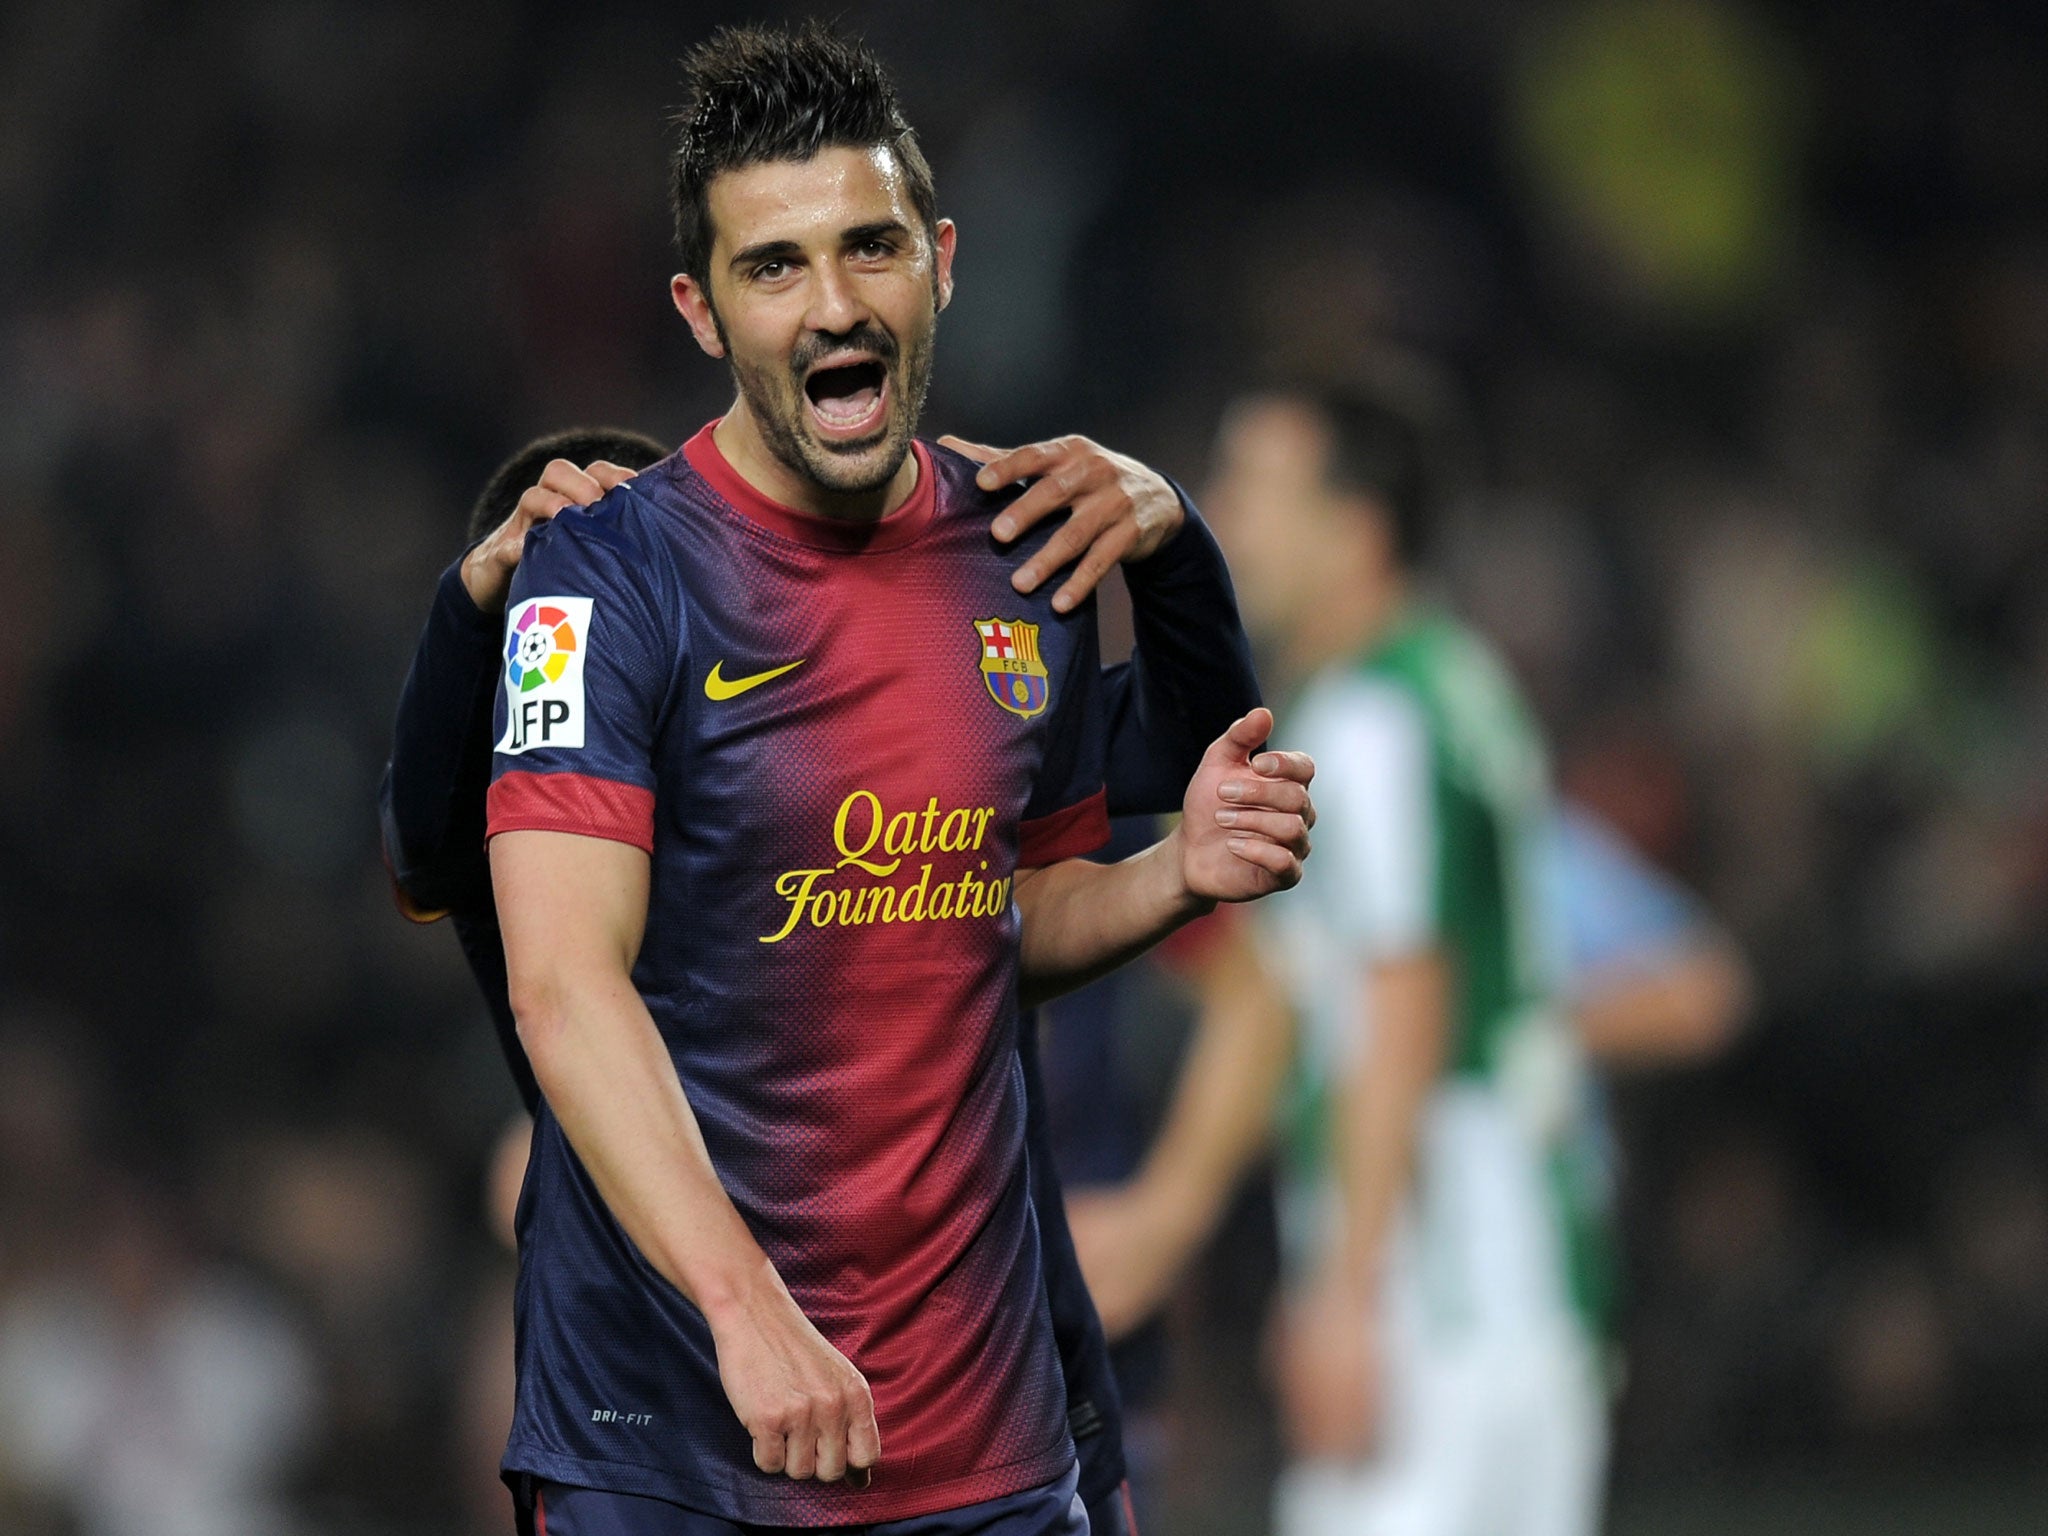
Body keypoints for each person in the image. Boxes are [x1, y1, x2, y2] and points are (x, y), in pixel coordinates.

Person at [478, 22, 1313, 1535]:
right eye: (773, 266)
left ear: (938, 259)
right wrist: (747, 1310)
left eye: (867, 249)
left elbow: (1000, 916)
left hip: (978, 1441)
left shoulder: (1028, 552)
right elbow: (562, 987)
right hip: (677, 1435)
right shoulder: (601, 581)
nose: (832, 303)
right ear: (701, 310)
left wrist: (1167, 875)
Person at [383, 406, 1261, 1532]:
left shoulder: (852, 750)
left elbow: (1192, 747)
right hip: (671, 1422)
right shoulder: (547, 851)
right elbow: (424, 834)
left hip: (987, 1377)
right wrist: (478, 596)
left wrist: (1170, 540)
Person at [1202, 379, 1604, 1536]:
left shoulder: (1370, 720)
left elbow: (1400, 1003)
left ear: (1355, 529)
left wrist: (1342, 1297)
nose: (1222, 512)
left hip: (1437, 1305)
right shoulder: (1461, 682)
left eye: (1256, 486)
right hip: (1531, 1277)